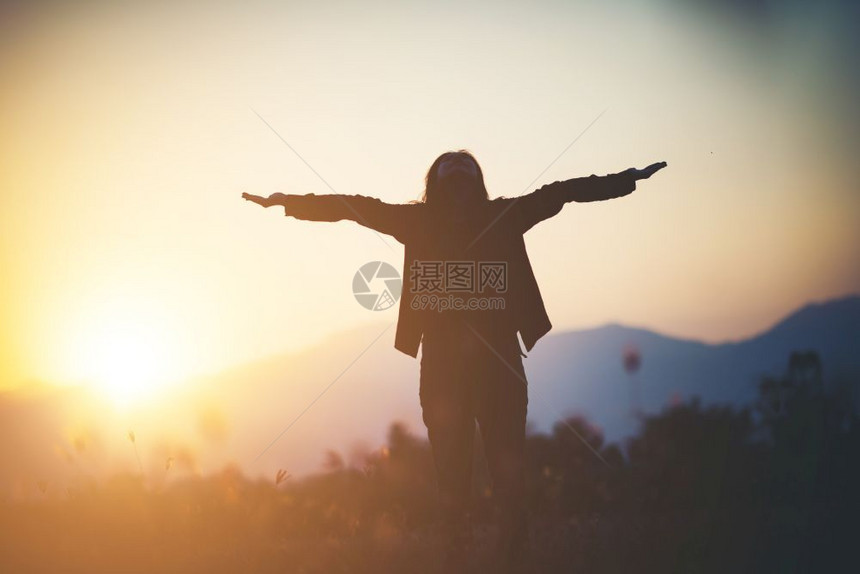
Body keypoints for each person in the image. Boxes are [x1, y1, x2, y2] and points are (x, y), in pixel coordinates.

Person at [242, 151, 666, 571]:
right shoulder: (416, 221)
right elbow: (353, 208)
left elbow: (563, 192)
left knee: (508, 477)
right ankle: (457, 558)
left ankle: (513, 559)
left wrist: (625, 179)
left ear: (477, 182)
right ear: (437, 184)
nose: (460, 174)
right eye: (451, 170)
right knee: (452, 478)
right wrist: (289, 203)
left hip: (500, 367)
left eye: (467, 170)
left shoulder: (504, 215)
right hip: (444, 370)